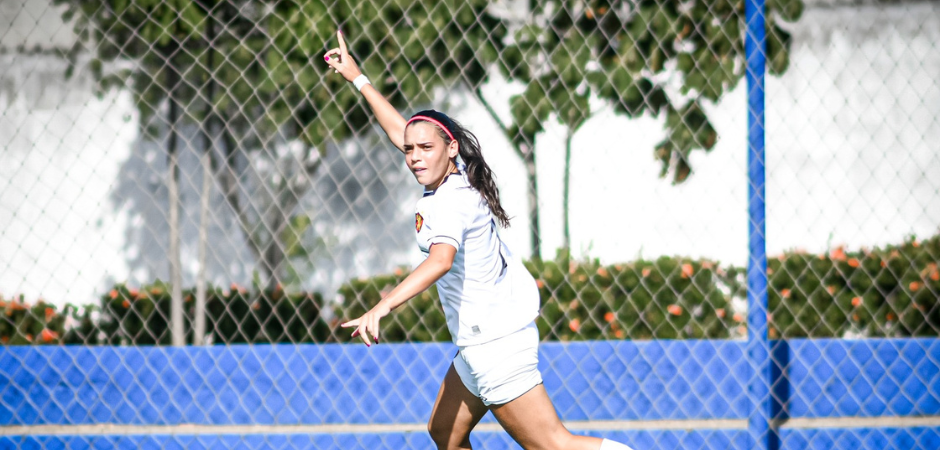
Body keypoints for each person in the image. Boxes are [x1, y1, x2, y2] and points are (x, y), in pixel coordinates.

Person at [324, 30, 634, 450]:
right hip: (481, 339)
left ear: (450, 149)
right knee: (445, 434)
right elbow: (405, 130)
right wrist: (359, 80)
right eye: (409, 150)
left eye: (425, 148)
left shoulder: (450, 201)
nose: (414, 156)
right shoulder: (451, 179)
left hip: (495, 343)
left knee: (554, 445)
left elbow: (440, 261)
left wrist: (383, 305)